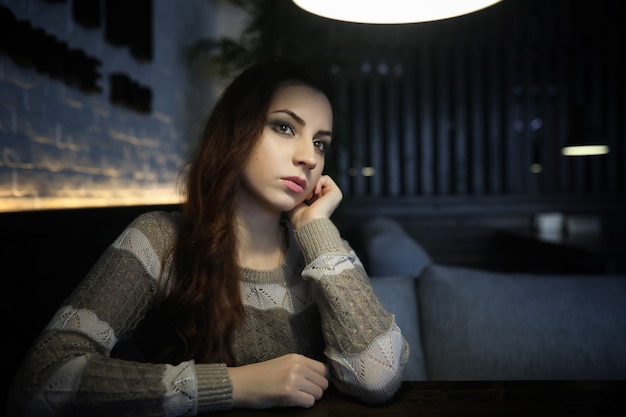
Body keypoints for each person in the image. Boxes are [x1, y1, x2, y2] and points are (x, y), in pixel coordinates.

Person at [6, 60, 409, 416]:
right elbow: (43, 380)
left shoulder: (325, 251)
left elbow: (377, 379)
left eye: (321, 143)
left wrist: (317, 229)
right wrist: (235, 385)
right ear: (237, 131)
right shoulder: (160, 240)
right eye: (284, 127)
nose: (309, 157)